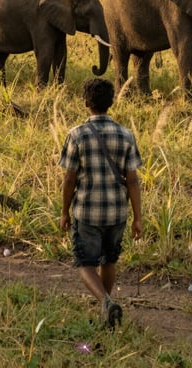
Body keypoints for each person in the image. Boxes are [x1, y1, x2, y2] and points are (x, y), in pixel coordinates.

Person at [59, 78, 143, 329]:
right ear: (111, 102)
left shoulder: (76, 135)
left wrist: (64, 212)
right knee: (109, 261)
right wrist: (138, 218)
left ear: (86, 102)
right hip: (117, 212)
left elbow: (69, 179)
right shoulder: (126, 135)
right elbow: (133, 180)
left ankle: (105, 302)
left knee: (85, 263)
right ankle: (106, 309)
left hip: (87, 212)